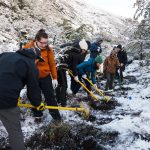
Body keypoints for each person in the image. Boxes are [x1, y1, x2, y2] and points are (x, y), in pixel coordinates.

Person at [0, 48, 44, 150]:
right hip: (6, 101)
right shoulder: (31, 65)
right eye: (37, 61)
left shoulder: (5, 55)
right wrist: (38, 104)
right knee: (15, 132)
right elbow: (33, 89)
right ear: (34, 58)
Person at [23, 29, 62, 122]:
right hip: (32, 78)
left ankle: (56, 117)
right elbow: (22, 62)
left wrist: (55, 78)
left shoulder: (48, 50)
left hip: (45, 77)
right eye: (42, 43)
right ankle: (38, 115)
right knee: (34, 96)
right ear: (36, 40)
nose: (44, 45)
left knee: (50, 97)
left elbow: (52, 64)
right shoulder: (27, 47)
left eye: (46, 42)